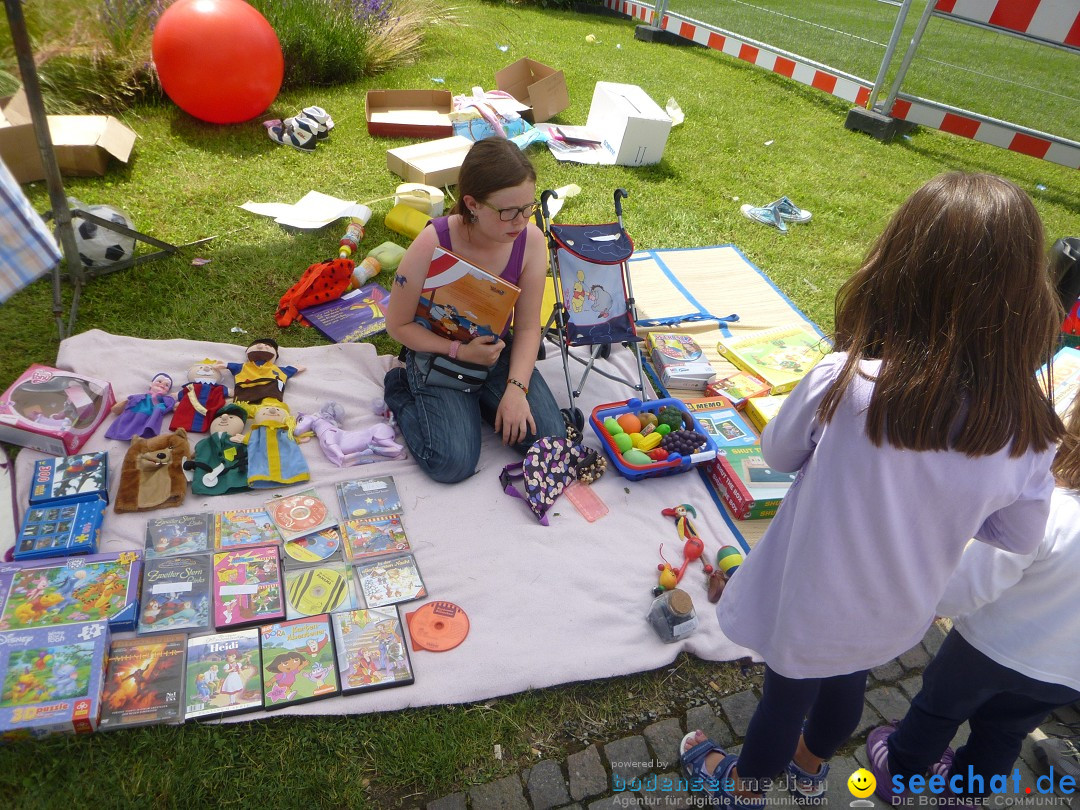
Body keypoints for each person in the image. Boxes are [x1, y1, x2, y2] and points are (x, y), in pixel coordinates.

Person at [679, 173, 1065, 807]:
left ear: (899, 267)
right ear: (1024, 296)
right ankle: (808, 771)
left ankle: (744, 787)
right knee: (846, 684)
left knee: (785, 697)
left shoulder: (849, 381)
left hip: (809, 595)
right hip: (896, 608)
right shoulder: (1029, 428)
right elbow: (1017, 535)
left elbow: (777, 453)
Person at [866, 400, 1080, 804]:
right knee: (1005, 733)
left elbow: (977, 578)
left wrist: (936, 603)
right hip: (1063, 674)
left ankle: (901, 770)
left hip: (985, 648)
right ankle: (966, 794)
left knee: (939, 709)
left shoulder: (1054, 512)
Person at [383, 137, 564, 483]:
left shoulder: (531, 241)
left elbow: (527, 329)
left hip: (496, 350)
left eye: (528, 208)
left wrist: (515, 389)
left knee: (549, 445)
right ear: (472, 204)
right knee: (451, 463)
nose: (520, 221)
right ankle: (401, 388)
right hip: (437, 351)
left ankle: (484, 401)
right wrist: (458, 350)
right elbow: (398, 325)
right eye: (508, 211)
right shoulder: (433, 241)